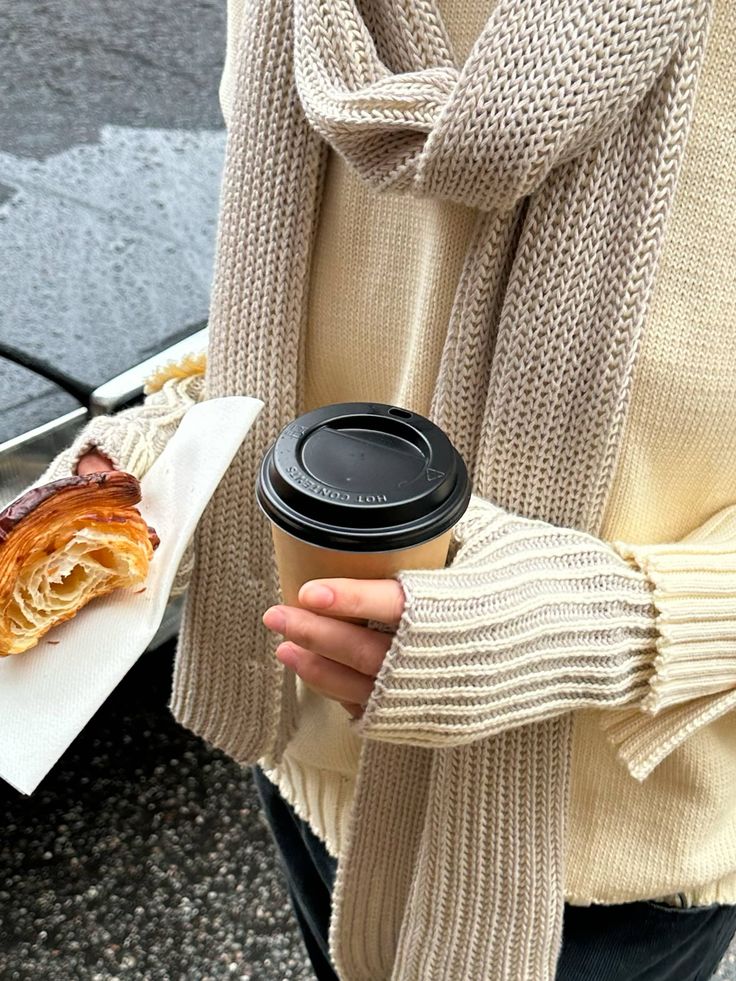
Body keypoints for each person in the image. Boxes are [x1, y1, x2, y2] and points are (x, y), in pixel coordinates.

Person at [43, 0, 736, 978]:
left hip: (598, 843)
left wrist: (622, 622)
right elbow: (311, 306)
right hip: (308, 752)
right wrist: (156, 453)